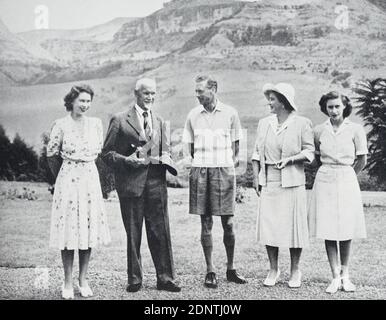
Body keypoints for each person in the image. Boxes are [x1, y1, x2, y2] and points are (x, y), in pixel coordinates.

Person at [102, 78, 181, 293]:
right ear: (136, 93)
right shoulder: (119, 120)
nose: (151, 97)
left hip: (156, 184)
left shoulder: (160, 120)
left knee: (161, 231)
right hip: (130, 184)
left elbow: (167, 150)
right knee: (133, 232)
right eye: (147, 93)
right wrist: (126, 160)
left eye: (154, 94)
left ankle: (165, 278)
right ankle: (134, 279)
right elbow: (106, 154)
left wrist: (167, 157)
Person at [47, 84, 111, 299]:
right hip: (68, 181)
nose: (85, 105)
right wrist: (62, 178)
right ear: (71, 101)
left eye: (88, 101)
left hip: (90, 181)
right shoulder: (61, 124)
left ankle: (83, 279)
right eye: (81, 101)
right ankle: (67, 281)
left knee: (87, 229)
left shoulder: (96, 124)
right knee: (68, 231)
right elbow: (51, 155)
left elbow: (99, 154)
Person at [182, 75, 247, 289]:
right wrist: (197, 165)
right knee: (206, 222)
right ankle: (210, 270)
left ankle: (231, 268)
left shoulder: (230, 113)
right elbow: (188, 148)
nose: (197, 94)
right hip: (201, 170)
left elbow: (238, 147)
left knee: (228, 223)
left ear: (214, 89)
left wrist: (228, 165)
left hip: (224, 171)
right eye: (196, 91)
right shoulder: (193, 115)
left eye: (200, 91)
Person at [251, 83, 314, 288]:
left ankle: (295, 270)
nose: (269, 103)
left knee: (294, 227)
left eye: (272, 99)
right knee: (270, 225)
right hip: (269, 180)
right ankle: (273, 268)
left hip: (293, 181)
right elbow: (256, 154)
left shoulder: (302, 123)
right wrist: (255, 177)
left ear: (283, 102)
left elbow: (310, 152)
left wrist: (291, 159)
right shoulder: (264, 123)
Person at [308, 91, 368, 294]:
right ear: (325, 108)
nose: (333, 110)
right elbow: (315, 158)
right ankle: (334, 277)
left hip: (346, 178)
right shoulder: (318, 130)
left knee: (345, 228)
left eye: (337, 106)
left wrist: (349, 174)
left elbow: (362, 160)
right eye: (330, 107)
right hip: (325, 179)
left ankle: (345, 275)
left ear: (344, 107)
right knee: (328, 228)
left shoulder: (355, 129)